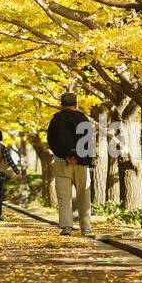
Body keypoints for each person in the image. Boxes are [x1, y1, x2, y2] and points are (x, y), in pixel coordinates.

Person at [47, 92, 93, 236]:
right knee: (84, 195)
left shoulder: (55, 120)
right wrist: (79, 158)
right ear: (76, 104)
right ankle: (86, 227)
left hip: (62, 162)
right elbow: (88, 141)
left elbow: (52, 142)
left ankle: (67, 226)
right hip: (81, 163)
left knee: (64, 196)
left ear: (61, 105)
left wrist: (66, 155)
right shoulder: (83, 119)